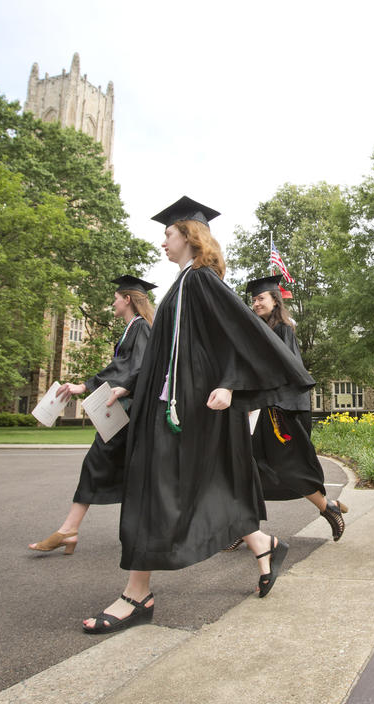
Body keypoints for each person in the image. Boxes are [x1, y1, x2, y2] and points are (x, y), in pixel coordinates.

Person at [82, 197, 314, 634]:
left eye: (168, 234)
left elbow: (237, 338)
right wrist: (128, 384)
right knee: (194, 485)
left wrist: (229, 384)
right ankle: (262, 543)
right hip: (168, 402)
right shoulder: (183, 284)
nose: (163, 242)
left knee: (155, 489)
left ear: (188, 235)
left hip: (188, 407)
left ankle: (137, 594)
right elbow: (168, 351)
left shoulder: (203, 282)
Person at [29, 275, 155, 555]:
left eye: (115, 297)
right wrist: (86, 385)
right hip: (122, 411)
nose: (112, 302)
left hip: (128, 412)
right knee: (129, 470)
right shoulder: (132, 329)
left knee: (100, 463)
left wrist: (85, 385)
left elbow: (134, 368)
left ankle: (70, 530)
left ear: (127, 299)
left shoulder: (141, 329)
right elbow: (122, 367)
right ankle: (74, 530)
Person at [239, 275, 347, 541]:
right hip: (271, 407)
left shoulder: (283, 329)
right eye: (253, 300)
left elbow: (280, 369)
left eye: (261, 298)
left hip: (281, 410)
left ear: (275, 300)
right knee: (251, 465)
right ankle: (242, 527)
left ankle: (327, 507)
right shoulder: (266, 329)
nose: (256, 303)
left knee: (289, 465)